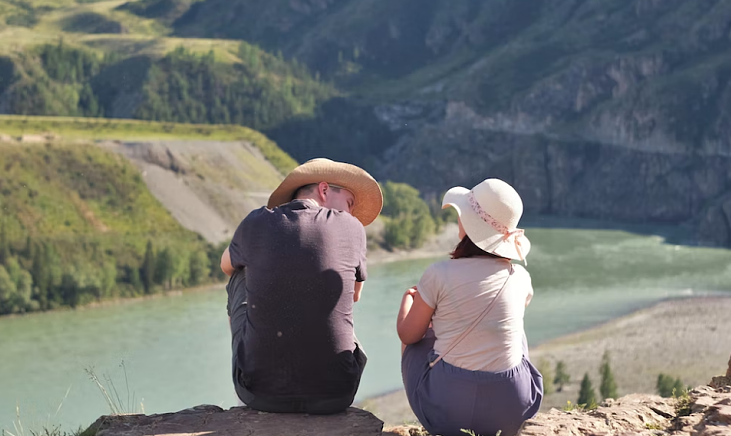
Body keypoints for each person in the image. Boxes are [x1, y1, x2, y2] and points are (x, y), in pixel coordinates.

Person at [220, 158, 383, 414]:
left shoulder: (255, 222)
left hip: (260, 395)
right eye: (350, 204)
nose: (350, 213)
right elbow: (354, 295)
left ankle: (255, 378)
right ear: (324, 189)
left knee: (240, 275)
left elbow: (226, 266)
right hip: (337, 393)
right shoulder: (352, 227)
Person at [397, 178, 543, 436]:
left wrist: (408, 299)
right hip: (511, 407)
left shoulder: (438, 273)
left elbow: (408, 335)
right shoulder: (520, 277)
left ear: (468, 223)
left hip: (450, 411)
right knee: (516, 333)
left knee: (418, 338)